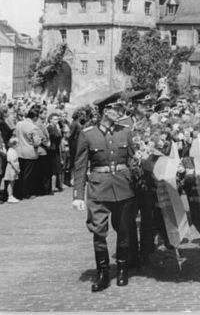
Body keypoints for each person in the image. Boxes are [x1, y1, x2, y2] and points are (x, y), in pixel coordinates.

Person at [72, 98, 137, 292]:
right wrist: (77, 194)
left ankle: (123, 269)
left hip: (124, 187)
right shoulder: (88, 135)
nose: (119, 111)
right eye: (115, 108)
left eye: (120, 107)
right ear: (104, 110)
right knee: (99, 232)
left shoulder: (125, 132)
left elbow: (134, 159)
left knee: (124, 229)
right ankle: (103, 273)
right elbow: (80, 165)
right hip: (98, 188)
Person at [14, 105, 42, 200]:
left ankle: (17, 192)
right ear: (35, 117)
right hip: (30, 153)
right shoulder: (33, 127)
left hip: (19, 151)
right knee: (28, 174)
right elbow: (36, 143)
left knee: (20, 173)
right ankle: (26, 193)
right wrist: (41, 139)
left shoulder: (19, 124)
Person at [4, 137, 20, 203]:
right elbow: (11, 161)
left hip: (14, 168)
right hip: (12, 169)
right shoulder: (11, 151)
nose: (18, 145)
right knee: (11, 182)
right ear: (14, 144)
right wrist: (17, 169)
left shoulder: (13, 150)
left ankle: (11, 195)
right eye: (17, 144)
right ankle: (10, 196)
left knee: (12, 182)